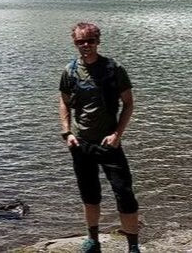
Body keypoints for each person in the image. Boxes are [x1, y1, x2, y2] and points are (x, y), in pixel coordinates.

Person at [58, 22, 140, 253]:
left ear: (98, 41)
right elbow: (63, 101)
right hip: (81, 143)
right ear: (74, 43)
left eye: (90, 41)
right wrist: (67, 133)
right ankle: (93, 241)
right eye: (80, 41)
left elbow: (129, 103)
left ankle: (133, 246)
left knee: (124, 193)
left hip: (109, 144)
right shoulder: (70, 70)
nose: (85, 45)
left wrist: (117, 134)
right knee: (89, 195)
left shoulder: (113, 69)